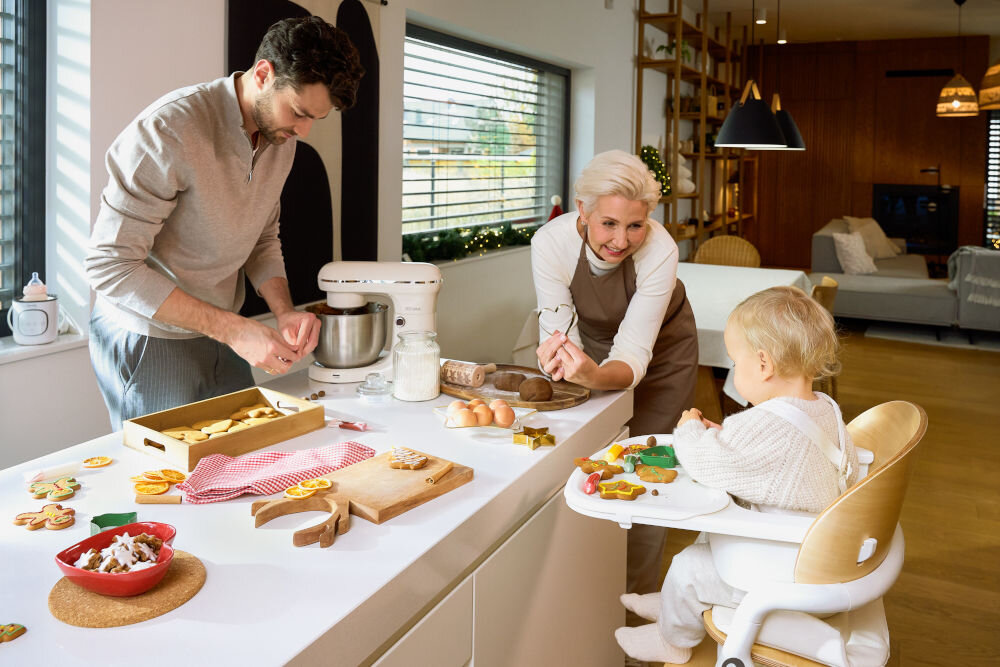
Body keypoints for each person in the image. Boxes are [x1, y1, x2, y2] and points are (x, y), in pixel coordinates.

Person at [85, 17, 364, 424]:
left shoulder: (279, 136)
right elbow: (109, 266)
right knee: (167, 465)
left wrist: (283, 311)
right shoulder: (167, 129)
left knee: (244, 456)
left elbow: (262, 237)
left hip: (222, 331)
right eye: (298, 112)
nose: (303, 130)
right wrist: (234, 330)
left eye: (314, 120)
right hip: (149, 336)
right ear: (264, 74)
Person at [614, 286, 860, 664]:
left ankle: (673, 640)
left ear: (763, 364)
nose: (733, 369)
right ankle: (671, 603)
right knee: (711, 538)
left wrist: (690, 427)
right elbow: (782, 460)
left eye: (734, 361)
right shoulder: (826, 409)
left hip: (788, 580)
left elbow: (702, 463)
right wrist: (727, 440)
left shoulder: (763, 424)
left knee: (688, 567)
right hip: (819, 558)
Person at [531, 149, 699, 605]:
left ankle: (635, 606)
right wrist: (564, 363)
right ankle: (586, 597)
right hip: (591, 348)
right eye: (608, 223)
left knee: (648, 473)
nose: (621, 241)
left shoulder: (661, 250)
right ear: (582, 211)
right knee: (587, 458)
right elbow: (559, 331)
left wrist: (593, 375)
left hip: (661, 358)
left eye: (635, 225)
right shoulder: (550, 243)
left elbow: (633, 354)